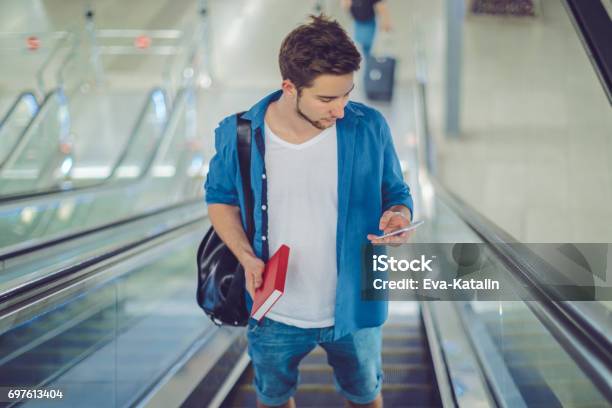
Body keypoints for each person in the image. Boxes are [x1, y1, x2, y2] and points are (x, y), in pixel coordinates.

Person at [205, 15, 413, 408]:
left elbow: (396, 192)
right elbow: (220, 199)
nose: (340, 109)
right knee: (274, 397)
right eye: (326, 99)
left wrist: (399, 215)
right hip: (274, 314)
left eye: (346, 94)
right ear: (289, 87)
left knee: (366, 395)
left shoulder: (369, 127)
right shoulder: (240, 135)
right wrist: (246, 257)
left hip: (355, 311)